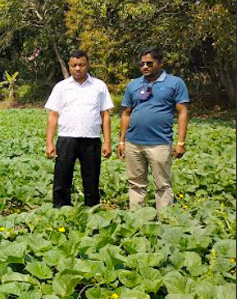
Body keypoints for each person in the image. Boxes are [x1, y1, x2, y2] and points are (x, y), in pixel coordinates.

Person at [118, 47, 189, 210]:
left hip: (160, 143)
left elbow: (182, 112)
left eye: (149, 63)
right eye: (142, 64)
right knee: (135, 183)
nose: (145, 67)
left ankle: (165, 221)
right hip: (133, 143)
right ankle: (137, 220)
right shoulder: (134, 84)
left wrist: (180, 142)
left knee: (163, 185)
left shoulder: (175, 83)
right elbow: (126, 113)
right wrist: (122, 141)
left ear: (160, 63)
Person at [45, 50, 113, 208]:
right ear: (69, 67)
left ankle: (92, 211)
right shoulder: (61, 87)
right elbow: (53, 115)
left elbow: (105, 115)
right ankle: (61, 211)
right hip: (66, 138)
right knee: (62, 179)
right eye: (74, 65)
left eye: (81, 65)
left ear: (87, 65)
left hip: (92, 140)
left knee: (91, 179)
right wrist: (49, 142)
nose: (77, 68)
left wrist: (107, 142)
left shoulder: (99, 86)